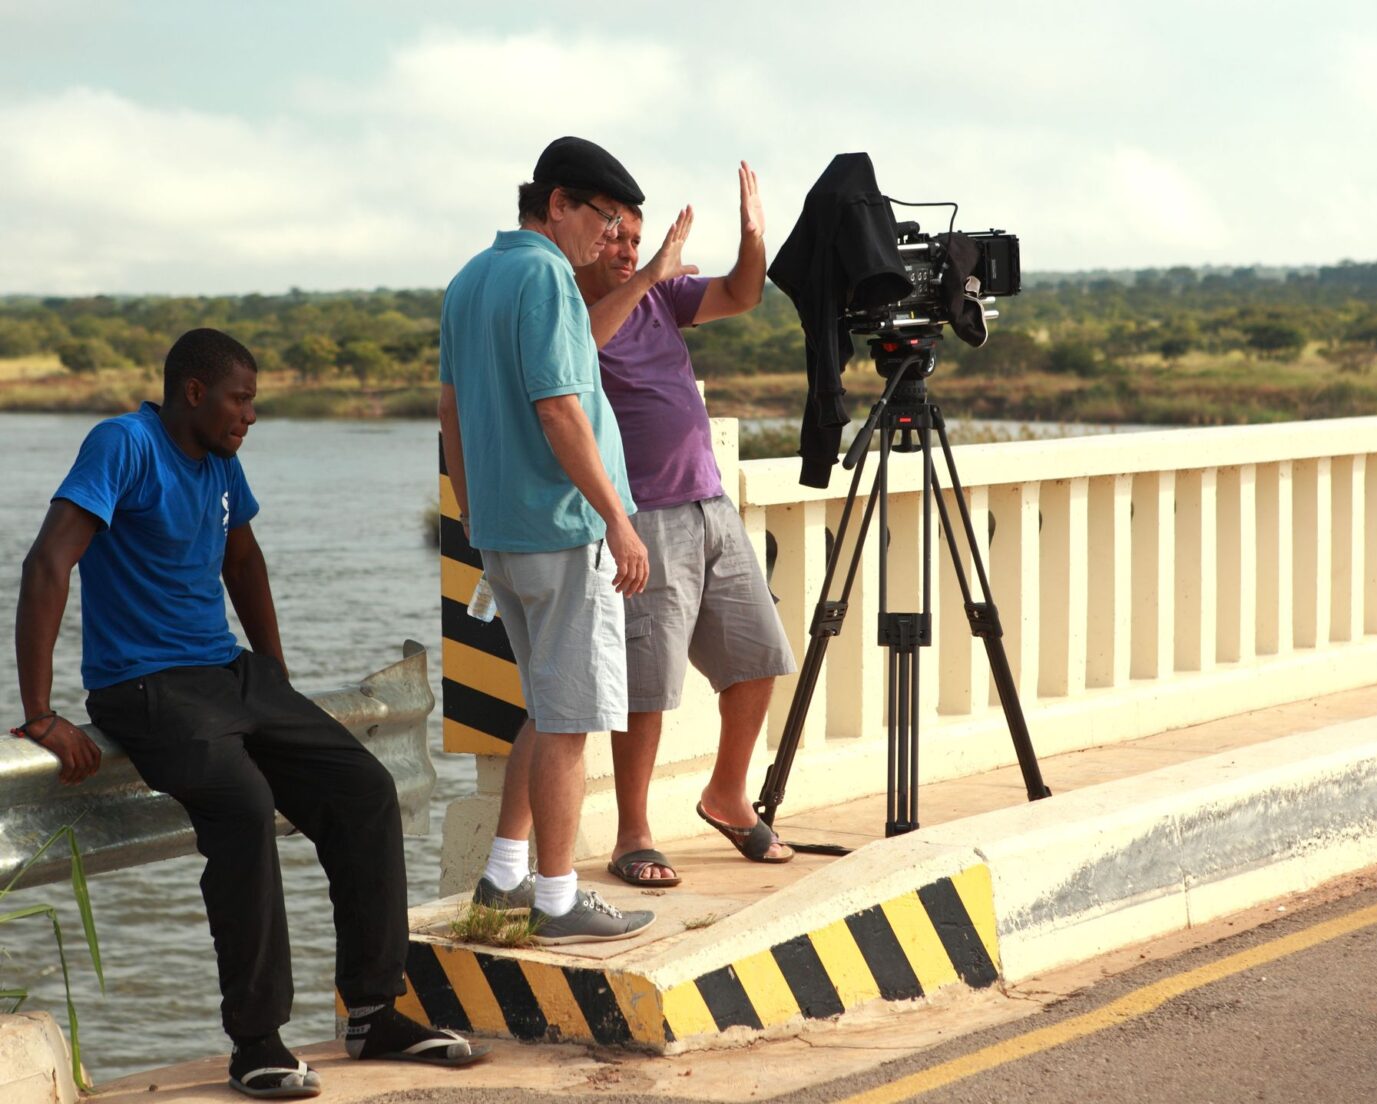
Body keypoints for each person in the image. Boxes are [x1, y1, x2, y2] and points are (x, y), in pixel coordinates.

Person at [13, 328, 485, 1100]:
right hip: (144, 685)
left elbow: (243, 559)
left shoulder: (223, 461)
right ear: (193, 392)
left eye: (254, 401)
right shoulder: (122, 444)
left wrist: (275, 676)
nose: (251, 415)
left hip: (232, 675)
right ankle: (256, 1044)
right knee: (242, 806)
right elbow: (47, 562)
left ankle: (373, 1011)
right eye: (241, 398)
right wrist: (41, 713)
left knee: (363, 791)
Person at [470, 162, 797, 894]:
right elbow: (581, 348)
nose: (624, 247)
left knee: (760, 657)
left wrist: (753, 237)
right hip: (639, 515)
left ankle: (726, 795)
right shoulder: (565, 299)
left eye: (636, 240)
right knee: (642, 689)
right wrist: (648, 274)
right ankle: (632, 834)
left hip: (708, 502)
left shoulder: (661, 299)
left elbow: (743, 295)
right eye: (616, 234)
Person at [438, 136, 657, 942]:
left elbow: (451, 413)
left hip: (501, 533)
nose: (609, 240)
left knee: (545, 704)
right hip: (566, 532)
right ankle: (558, 898)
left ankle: (503, 876)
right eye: (602, 219)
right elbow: (561, 410)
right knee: (570, 722)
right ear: (557, 203)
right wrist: (618, 520)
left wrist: (472, 511)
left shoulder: (469, 280)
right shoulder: (546, 278)